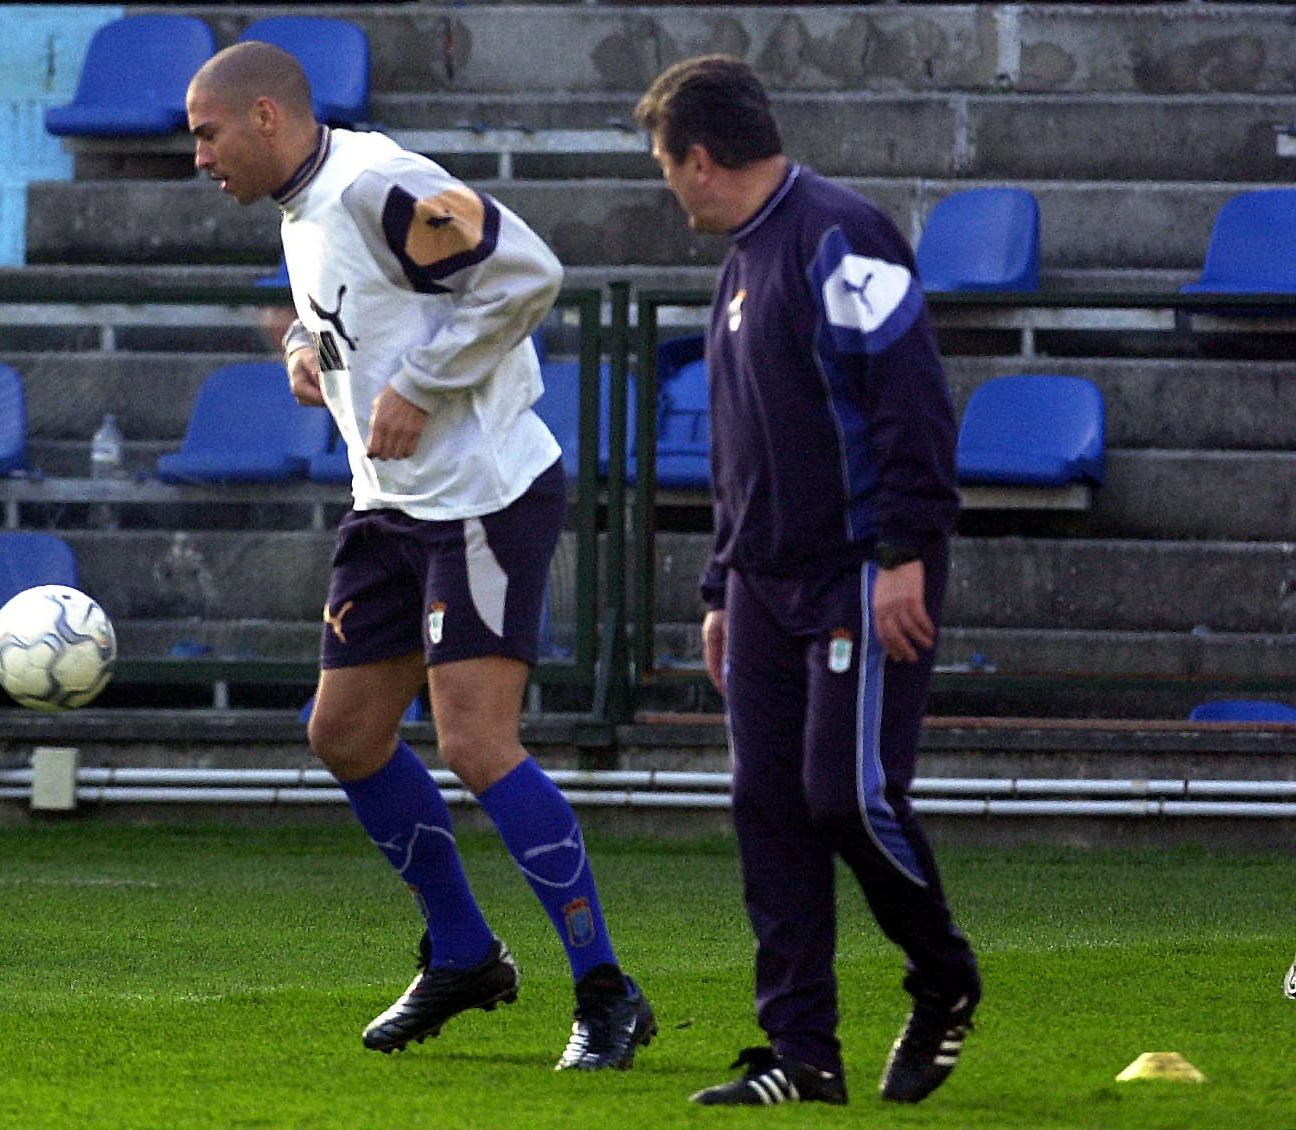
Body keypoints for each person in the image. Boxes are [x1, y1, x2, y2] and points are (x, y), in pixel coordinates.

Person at [186, 41, 655, 1071]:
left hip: (483, 498)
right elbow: (361, 321)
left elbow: (529, 270)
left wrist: (423, 387)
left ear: (266, 116)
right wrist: (305, 354)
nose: (198, 157)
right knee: (346, 733)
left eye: (206, 133)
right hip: (389, 506)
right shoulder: (306, 210)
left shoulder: (375, 183)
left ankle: (608, 989)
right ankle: (463, 951)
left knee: (476, 741)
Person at [634, 55, 981, 1106]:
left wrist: (901, 551)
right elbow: (750, 443)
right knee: (767, 806)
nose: (666, 183)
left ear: (698, 160)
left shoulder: (840, 232)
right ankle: (802, 1052)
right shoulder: (744, 259)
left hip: (852, 575)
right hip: (762, 585)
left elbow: (909, 396)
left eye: (662, 163)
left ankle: (944, 978)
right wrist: (715, 584)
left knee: (850, 794)